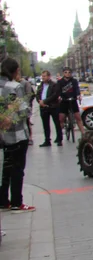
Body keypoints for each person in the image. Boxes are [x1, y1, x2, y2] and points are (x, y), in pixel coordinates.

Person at [1, 57, 34, 212]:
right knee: (17, 168)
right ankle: (16, 202)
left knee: (5, 168)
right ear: (14, 71)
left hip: (2, 135)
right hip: (17, 134)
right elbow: (24, 111)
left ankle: (3, 200)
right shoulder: (15, 86)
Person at [35, 70, 62, 147]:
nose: (43, 77)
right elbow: (37, 94)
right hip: (43, 107)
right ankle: (47, 140)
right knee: (45, 124)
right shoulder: (40, 85)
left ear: (49, 76)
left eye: (44, 76)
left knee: (57, 123)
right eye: (42, 76)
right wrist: (40, 101)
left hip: (53, 106)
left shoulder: (54, 85)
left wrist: (45, 101)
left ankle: (59, 139)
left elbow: (55, 95)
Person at [55, 67, 81, 139]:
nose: (67, 74)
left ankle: (83, 134)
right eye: (66, 72)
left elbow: (77, 89)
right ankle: (60, 134)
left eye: (69, 72)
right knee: (61, 118)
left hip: (73, 100)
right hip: (64, 101)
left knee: (78, 117)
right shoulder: (60, 82)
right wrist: (59, 96)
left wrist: (78, 95)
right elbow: (58, 91)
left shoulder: (74, 81)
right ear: (63, 73)